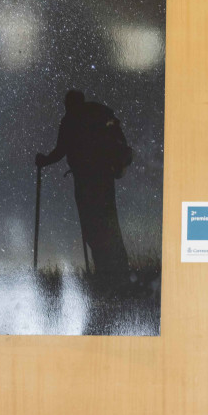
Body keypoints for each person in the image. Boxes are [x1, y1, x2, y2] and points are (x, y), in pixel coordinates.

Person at [36, 90, 131, 281]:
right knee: (109, 222)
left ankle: (104, 271)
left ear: (69, 103)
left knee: (91, 225)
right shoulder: (99, 114)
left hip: (85, 180)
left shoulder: (71, 120)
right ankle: (119, 270)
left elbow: (60, 150)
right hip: (105, 177)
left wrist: (43, 161)